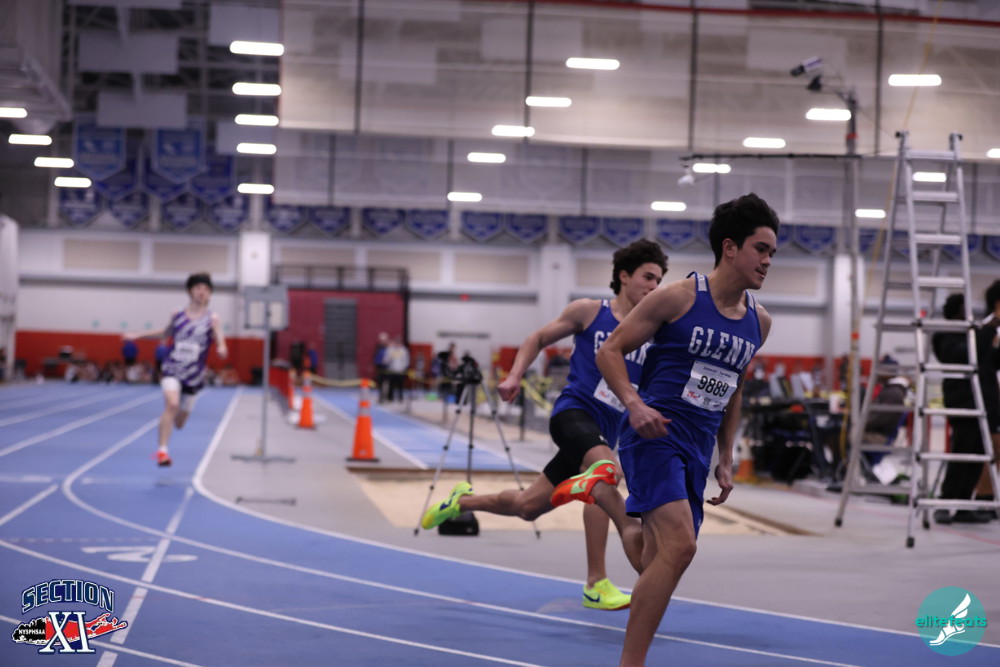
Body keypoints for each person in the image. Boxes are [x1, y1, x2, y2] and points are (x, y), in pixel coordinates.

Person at [420, 239, 668, 611]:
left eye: (659, 280)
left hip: (606, 431)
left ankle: (461, 501)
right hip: (573, 415)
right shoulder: (590, 311)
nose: (654, 286)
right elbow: (537, 337)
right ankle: (600, 578)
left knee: (527, 506)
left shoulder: (652, 332)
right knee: (604, 474)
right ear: (624, 276)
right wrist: (514, 375)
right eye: (648, 277)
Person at [594, 193, 777, 666]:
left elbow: (734, 389)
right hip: (654, 435)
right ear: (730, 247)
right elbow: (609, 350)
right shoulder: (678, 297)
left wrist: (726, 456)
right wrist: (634, 405)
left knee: (650, 557)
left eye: (772, 252)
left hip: (697, 448)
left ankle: (610, 502)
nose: (767, 261)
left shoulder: (759, 322)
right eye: (760, 249)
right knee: (681, 546)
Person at [124, 272, 227, 467]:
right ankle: (162, 452)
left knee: (179, 422)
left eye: (206, 289)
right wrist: (138, 335)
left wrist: (222, 348)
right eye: (198, 288)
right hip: (172, 368)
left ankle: (175, 420)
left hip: (194, 375)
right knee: (172, 404)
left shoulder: (212, 319)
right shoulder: (177, 314)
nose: (202, 292)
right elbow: (164, 333)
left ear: (210, 294)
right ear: (190, 291)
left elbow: (220, 340)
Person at [930, 292, 999, 524]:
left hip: (985, 402)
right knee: (962, 454)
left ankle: (963, 505)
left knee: (977, 456)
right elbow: (965, 355)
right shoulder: (946, 335)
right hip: (964, 402)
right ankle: (944, 503)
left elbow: (990, 360)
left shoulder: (974, 334)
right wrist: (989, 329)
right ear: (958, 309)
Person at [373, 332, 389, 402]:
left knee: (386, 383)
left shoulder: (388, 348)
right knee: (380, 383)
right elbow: (376, 357)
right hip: (380, 368)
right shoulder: (378, 348)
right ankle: (381, 396)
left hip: (387, 368)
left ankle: (385, 396)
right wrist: (377, 364)